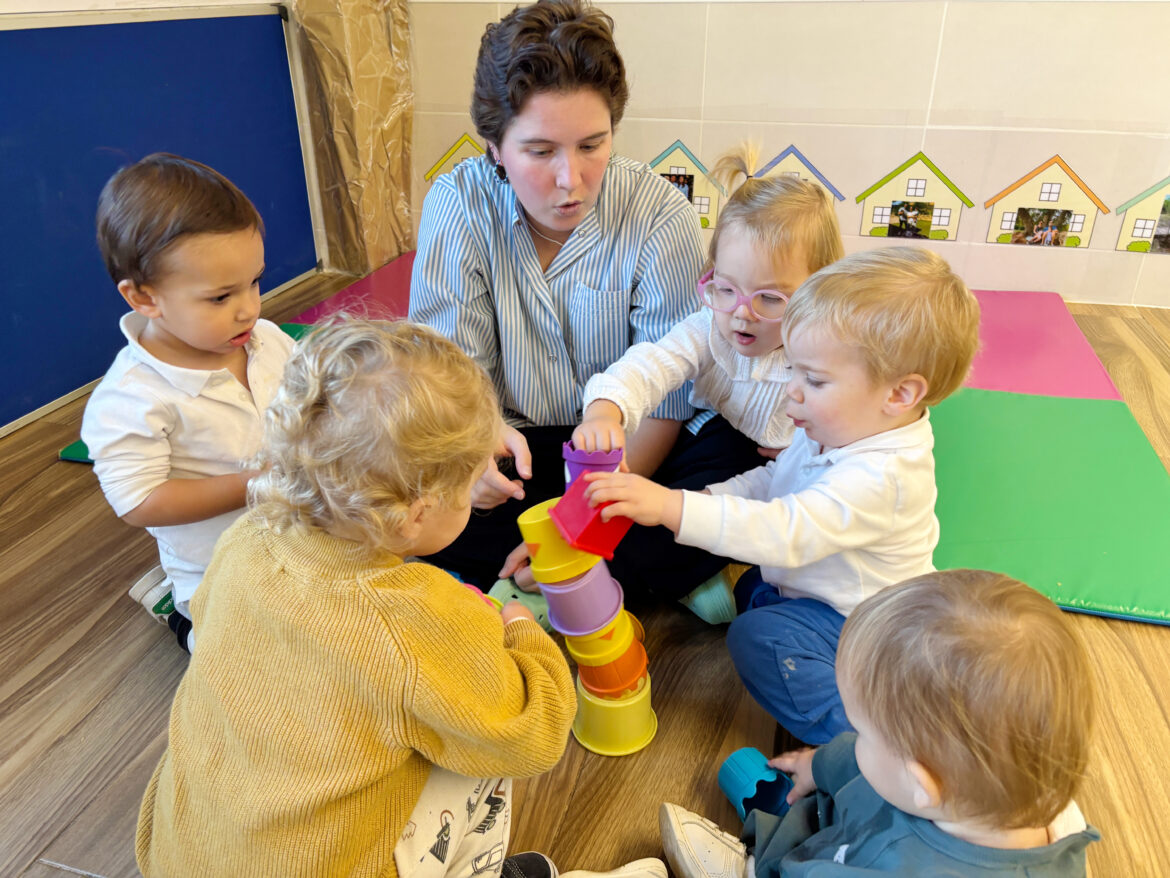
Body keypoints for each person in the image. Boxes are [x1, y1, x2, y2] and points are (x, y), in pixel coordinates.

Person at [135, 318, 667, 878]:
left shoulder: (244, 538)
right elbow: (531, 738)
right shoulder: (414, 614)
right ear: (416, 514)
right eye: (470, 485)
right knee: (474, 742)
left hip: (181, 851)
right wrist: (519, 633)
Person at [409, 0, 759, 602]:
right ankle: (606, 578)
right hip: (512, 446)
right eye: (540, 152)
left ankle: (535, 575)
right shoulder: (458, 202)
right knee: (395, 472)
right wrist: (471, 466)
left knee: (743, 460)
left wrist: (583, 520)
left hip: (627, 457)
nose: (570, 179)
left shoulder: (657, 212)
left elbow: (668, 399)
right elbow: (447, 379)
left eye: (592, 146)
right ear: (494, 147)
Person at [582, 247, 981, 742]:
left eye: (813, 379)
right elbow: (774, 484)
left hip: (865, 627)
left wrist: (672, 506)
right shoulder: (840, 428)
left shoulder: (885, 477)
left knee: (757, 638)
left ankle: (868, 746)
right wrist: (706, 497)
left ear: (898, 395)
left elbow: (784, 530)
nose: (791, 390)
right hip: (818, 594)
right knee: (751, 589)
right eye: (792, 369)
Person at [658, 569, 1100, 877]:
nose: (851, 739)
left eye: (863, 733)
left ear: (922, 786)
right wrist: (819, 766)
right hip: (860, 819)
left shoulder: (895, 866)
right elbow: (863, 759)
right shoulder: (1004, 792)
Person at [560, 143, 843, 622]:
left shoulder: (822, 351)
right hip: (706, 438)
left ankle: (673, 575)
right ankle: (675, 570)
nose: (741, 314)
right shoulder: (707, 329)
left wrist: (809, 450)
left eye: (770, 299)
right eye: (725, 289)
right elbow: (651, 363)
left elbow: (864, 423)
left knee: (734, 511)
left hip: (766, 471)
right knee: (639, 488)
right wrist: (605, 408)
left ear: (818, 293)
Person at [81, 153, 294, 652]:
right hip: (221, 571)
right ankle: (180, 615)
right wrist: (257, 483)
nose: (249, 307)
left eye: (254, 282)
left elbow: (321, 395)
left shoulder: (267, 339)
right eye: (220, 297)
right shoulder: (132, 397)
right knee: (257, 669)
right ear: (145, 299)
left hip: (306, 537)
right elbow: (139, 500)